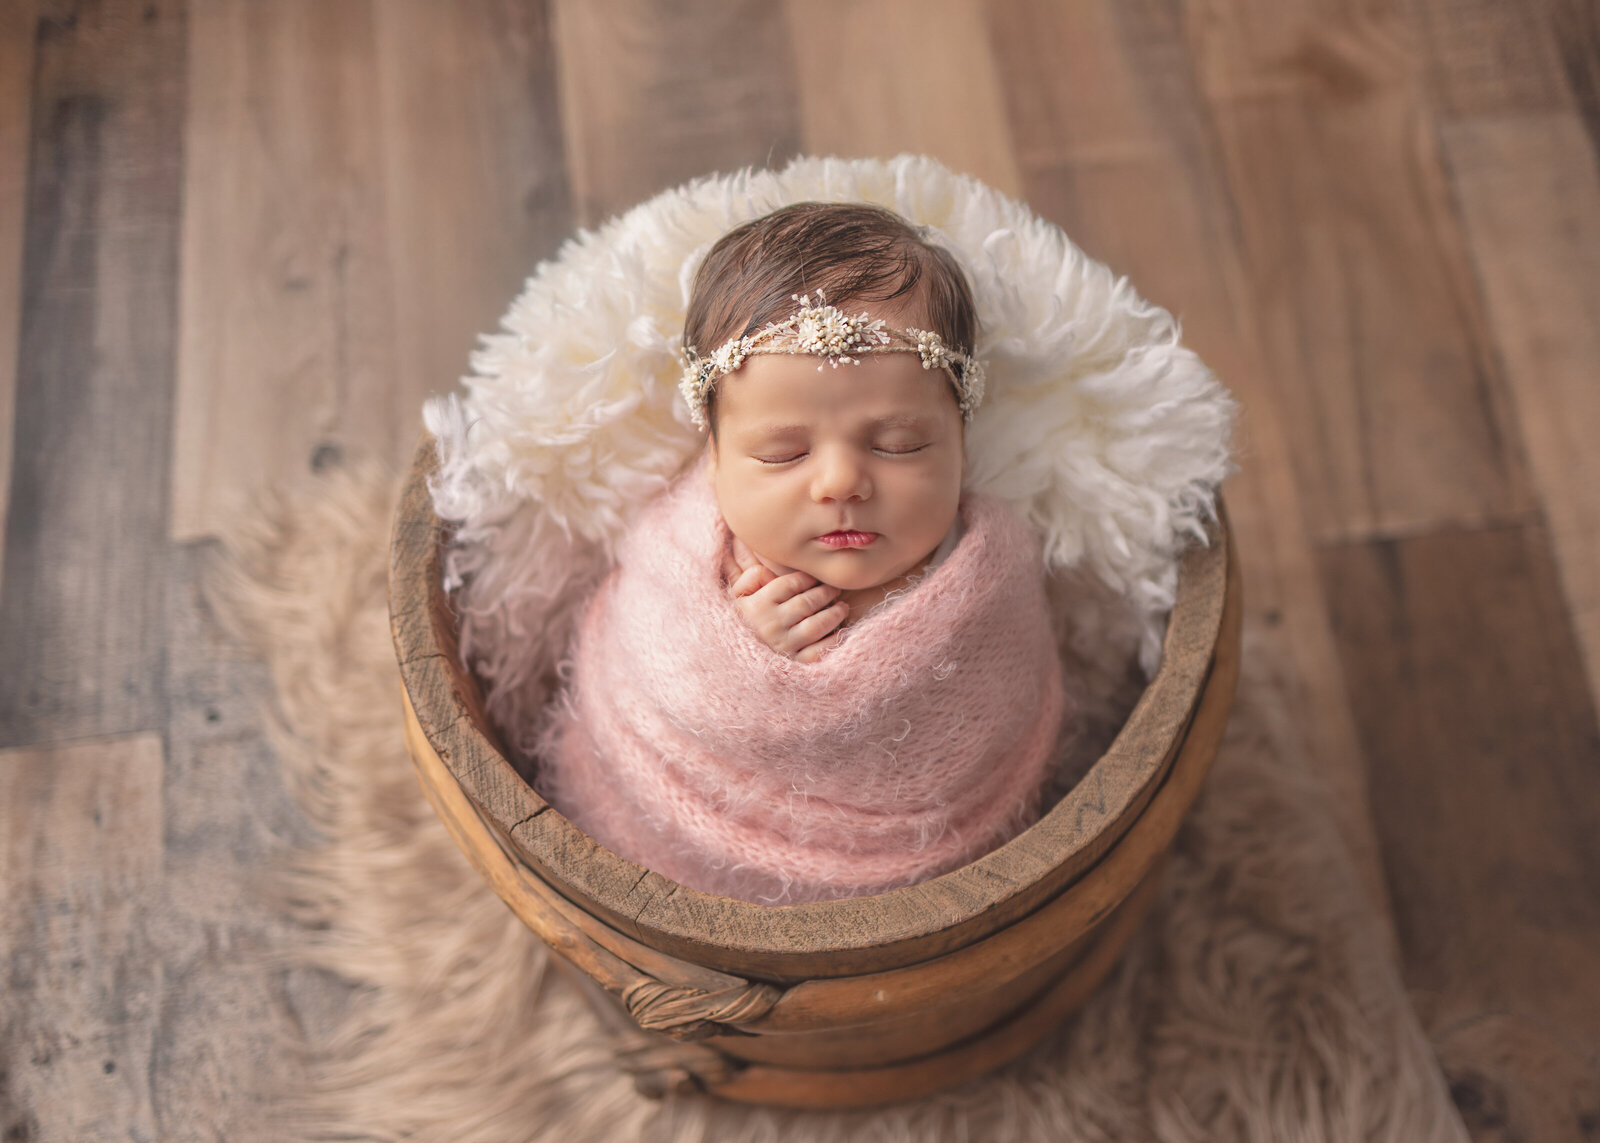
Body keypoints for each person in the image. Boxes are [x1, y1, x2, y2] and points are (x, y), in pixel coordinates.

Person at [537, 203, 1069, 904]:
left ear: (961, 443)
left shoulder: (984, 575)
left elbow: (1003, 692)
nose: (841, 481)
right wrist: (738, 655)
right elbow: (650, 663)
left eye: (899, 444)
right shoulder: (688, 561)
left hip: (932, 901)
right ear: (716, 459)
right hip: (682, 880)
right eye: (782, 452)